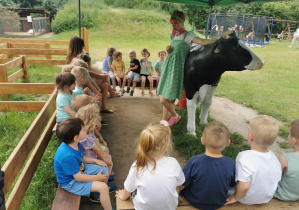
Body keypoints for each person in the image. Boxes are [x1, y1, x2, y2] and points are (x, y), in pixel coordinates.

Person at [157, 10, 216, 126]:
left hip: (176, 69)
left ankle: (175, 116)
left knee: (163, 99)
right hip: (169, 66)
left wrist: (218, 40)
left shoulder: (187, 36)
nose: (174, 26)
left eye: (176, 23)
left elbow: (203, 42)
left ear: (182, 22)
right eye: (172, 24)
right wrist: (169, 49)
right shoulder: (174, 35)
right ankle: (164, 119)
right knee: (165, 95)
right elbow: (173, 49)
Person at [115, 122, 185, 210]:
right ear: (166, 146)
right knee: (176, 185)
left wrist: (122, 196)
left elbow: (128, 189)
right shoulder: (173, 162)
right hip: (170, 208)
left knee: (135, 189)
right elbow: (180, 184)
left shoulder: (137, 166)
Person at [54, 118, 113, 209]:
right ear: (76, 137)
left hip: (80, 168)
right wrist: (96, 178)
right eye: (84, 130)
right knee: (103, 187)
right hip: (71, 182)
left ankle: (95, 193)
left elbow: (81, 157)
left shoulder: (74, 143)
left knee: (104, 170)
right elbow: (78, 177)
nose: (86, 130)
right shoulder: (67, 156)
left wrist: (95, 161)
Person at [225, 116, 281, 205]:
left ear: (250, 137)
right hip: (266, 198)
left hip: (246, 198)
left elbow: (244, 185)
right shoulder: (274, 158)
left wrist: (235, 197)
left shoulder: (244, 156)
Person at [179, 121, 235, 209]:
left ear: (202, 141)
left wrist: (175, 192)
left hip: (194, 200)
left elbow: (181, 183)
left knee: (184, 181)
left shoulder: (194, 161)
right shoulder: (230, 163)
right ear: (228, 143)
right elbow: (232, 183)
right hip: (218, 202)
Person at [76, 104, 116, 192]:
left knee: (106, 157)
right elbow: (96, 149)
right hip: (87, 161)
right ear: (92, 119)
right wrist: (104, 158)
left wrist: (103, 154)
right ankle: (101, 186)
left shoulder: (87, 130)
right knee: (108, 162)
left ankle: (104, 178)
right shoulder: (86, 135)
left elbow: (95, 142)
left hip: (90, 157)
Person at [274, 119, 299, 201]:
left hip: (282, 195)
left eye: (289, 133)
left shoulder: (285, 158)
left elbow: (274, 177)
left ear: (294, 140)